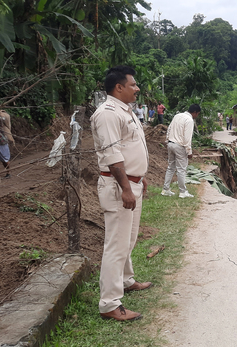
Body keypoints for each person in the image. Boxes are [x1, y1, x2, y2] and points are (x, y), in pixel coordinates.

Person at [90, 65, 152, 322]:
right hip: (118, 188)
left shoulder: (125, 111)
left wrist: (139, 177)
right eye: (133, 84)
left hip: (130, 184)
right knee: (116, 245)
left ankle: (126, 280)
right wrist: (127, 187)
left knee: (128, 240)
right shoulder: (106, 114)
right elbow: (112, 155)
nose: (137, 88)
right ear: (119, 87)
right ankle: (109, 304)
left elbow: (129, 149)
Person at [161, 104, 201, 198]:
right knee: (181, 170)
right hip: (179, 146)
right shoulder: (189, 120)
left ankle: (165, 189)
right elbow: (187, 138)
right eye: (197, 114)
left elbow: (169, 128)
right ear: (195, 112)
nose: (197, 116)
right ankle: (183, 192)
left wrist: (168, 140)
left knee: (171, 167)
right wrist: (189, 151)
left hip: (170, 143)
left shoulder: (177, 116)